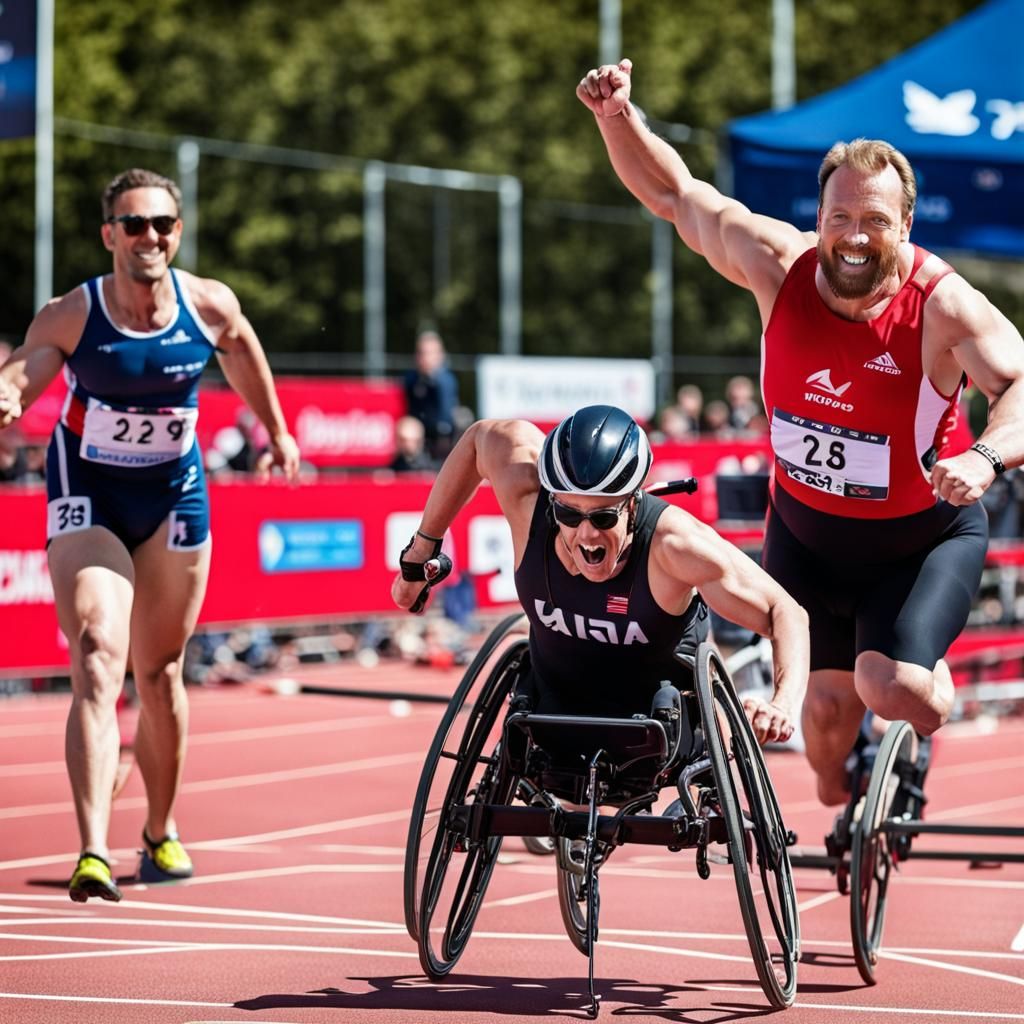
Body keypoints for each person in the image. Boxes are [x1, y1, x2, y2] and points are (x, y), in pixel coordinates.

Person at [578, 60, 1024, 808]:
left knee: (895, 689)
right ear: (818, 219)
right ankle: (850, 788)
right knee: (820, 736)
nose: (855, 238)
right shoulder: (775, 266)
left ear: (905, 226)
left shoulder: (942, 306)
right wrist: (617, 117)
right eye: (840, 218)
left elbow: (1018, 381)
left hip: (918, 543)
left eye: (876, 222)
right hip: (809, 539)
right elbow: (674, 195)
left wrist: (984, 456)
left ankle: (921, 699)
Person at [0, 167, 301, 902]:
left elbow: (244, 350)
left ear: (178, 231)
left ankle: (159, 833)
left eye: (162, 224)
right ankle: (93, 851)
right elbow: (25, 372)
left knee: (160, 671)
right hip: (91, 494)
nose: (149, 237)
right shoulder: (73, 312)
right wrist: (7, 394)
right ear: (110, 235)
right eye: (133, 225)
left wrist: (278, 431)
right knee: (101, 649)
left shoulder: (207, 304)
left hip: (174, 494)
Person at [392, 404, 808, 745]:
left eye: (604, 516)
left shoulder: (675, 546)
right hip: (555, 698)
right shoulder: (527, 501)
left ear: (632, 503)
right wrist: (422, 549)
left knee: (714, 717)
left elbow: (786, 612)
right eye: (569, 514)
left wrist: (782, 705)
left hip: (655, 712)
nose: (586, 533)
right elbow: (482, 438)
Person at [403, 329, 459, 461]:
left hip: (442, 440)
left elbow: (445, 418)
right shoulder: (412, 380)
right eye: (421, 353)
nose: (424, 358)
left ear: (440, 355)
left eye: (428, 353)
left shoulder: (445, 381)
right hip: (418, 437)